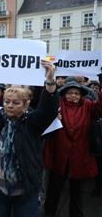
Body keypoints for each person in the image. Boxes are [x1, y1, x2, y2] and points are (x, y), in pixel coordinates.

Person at [0, 61, 58, 217]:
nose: (9, 105)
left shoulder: (32, 123)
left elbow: (47, 111)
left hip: (25, 192)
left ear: (26, 104)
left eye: (16, 102)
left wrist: (50, 81)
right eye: (6, 101)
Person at [43, 76, 102, 217]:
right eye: (70, 93)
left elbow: (100, 108)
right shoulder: (56, 105)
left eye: (76, 93)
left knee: (76, 193)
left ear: (81, 94)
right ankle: (49, 214)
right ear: (63, 94)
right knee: (53, 191)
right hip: (58, 155)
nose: (73, 96)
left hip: (79, 157)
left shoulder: (88, 106)